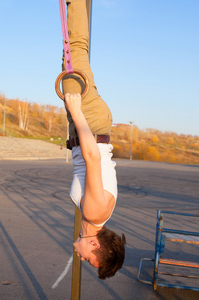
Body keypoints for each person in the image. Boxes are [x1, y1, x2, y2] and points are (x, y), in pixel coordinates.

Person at [62, 0, 126, 280]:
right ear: (95, 244)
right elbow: (92, 158)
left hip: (89, 127)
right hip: (88, 123)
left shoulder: (96, 216)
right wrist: (76, 113)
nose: (83, 258)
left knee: (73, 52)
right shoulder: (94, 211)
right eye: (89, 260)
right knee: (74, 50)